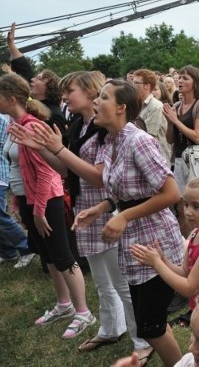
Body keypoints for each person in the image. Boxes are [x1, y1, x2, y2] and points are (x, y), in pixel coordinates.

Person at [25, 79, 185, 366]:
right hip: (134, 243)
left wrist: (123, 216)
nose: (96, 102)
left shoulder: (139, 141)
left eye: (103, 97)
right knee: (150, 321)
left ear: (121, 107)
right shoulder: (111, 141)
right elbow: (124, 191)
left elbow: (171, 192)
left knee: (150, 326)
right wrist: (102, 208)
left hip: (154, 242)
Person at [11, 71, 154, 355]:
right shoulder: (78, 125)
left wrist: (58, 149)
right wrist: (42, 149)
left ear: (91, 93)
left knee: (120, 280)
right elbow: (67, 170)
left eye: (70, 91)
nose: (64, 97)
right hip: (85, 208)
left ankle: (143, 341)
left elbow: (97, 177)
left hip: (104, 207)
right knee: (102, 279)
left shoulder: (103, 130)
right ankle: (111, 328)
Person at [0, 73, 95, 339]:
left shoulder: (31, 126)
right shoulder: (16, 123)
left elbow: (45, 173)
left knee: (62, 255)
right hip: (29, 199)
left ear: (10, 98)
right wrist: (24, 205)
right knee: (49, 256)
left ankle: (84, 312)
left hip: (46, 199)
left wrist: (40, 209)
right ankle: (64, 305)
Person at [131, 175, 199, 326]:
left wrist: (156, 264)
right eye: (186, 205)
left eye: (196, 206)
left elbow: (189, 289)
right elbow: (185, 272)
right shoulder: (195, 234)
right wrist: (162, 260)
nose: (188, 212)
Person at [163, 65, 199, 236]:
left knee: (198, 204)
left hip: (197, 161)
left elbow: (198, 136)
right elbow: (170, 139)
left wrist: (175, 121)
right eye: (180, 77)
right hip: (179, 159)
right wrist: (170, 122)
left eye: (185, 78)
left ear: (195, 82)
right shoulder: (176, 105)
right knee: (182, 206)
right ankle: (187, 243)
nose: (180, 81)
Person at [0, 113, 35, 268]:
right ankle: (8, 252)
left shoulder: (1, 121)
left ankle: (26, 247)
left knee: (0, 216)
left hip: (1, 174)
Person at [133, 69, 171, 164]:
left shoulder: (156, 106)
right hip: (143, 157)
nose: (132, 86)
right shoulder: (135, 104)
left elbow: (148, 137)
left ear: (147, 86)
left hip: (156, 160)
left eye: (136, 83)